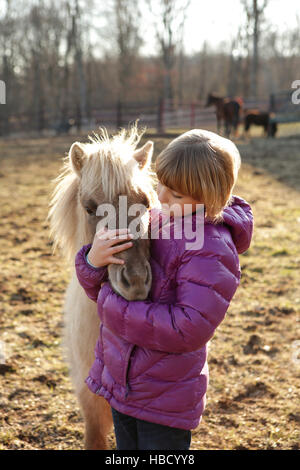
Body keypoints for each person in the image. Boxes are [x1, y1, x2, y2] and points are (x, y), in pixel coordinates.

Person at [75, 129, 254, 450]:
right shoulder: (156, 219)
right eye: (161, 187)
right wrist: (93, 260)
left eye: (178, 194)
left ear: (209, 199)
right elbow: (97, 284)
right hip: (122, 385)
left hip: (163, 399)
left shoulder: (211, 248)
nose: (163, 198)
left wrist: (113, 305)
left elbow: (188, 328)